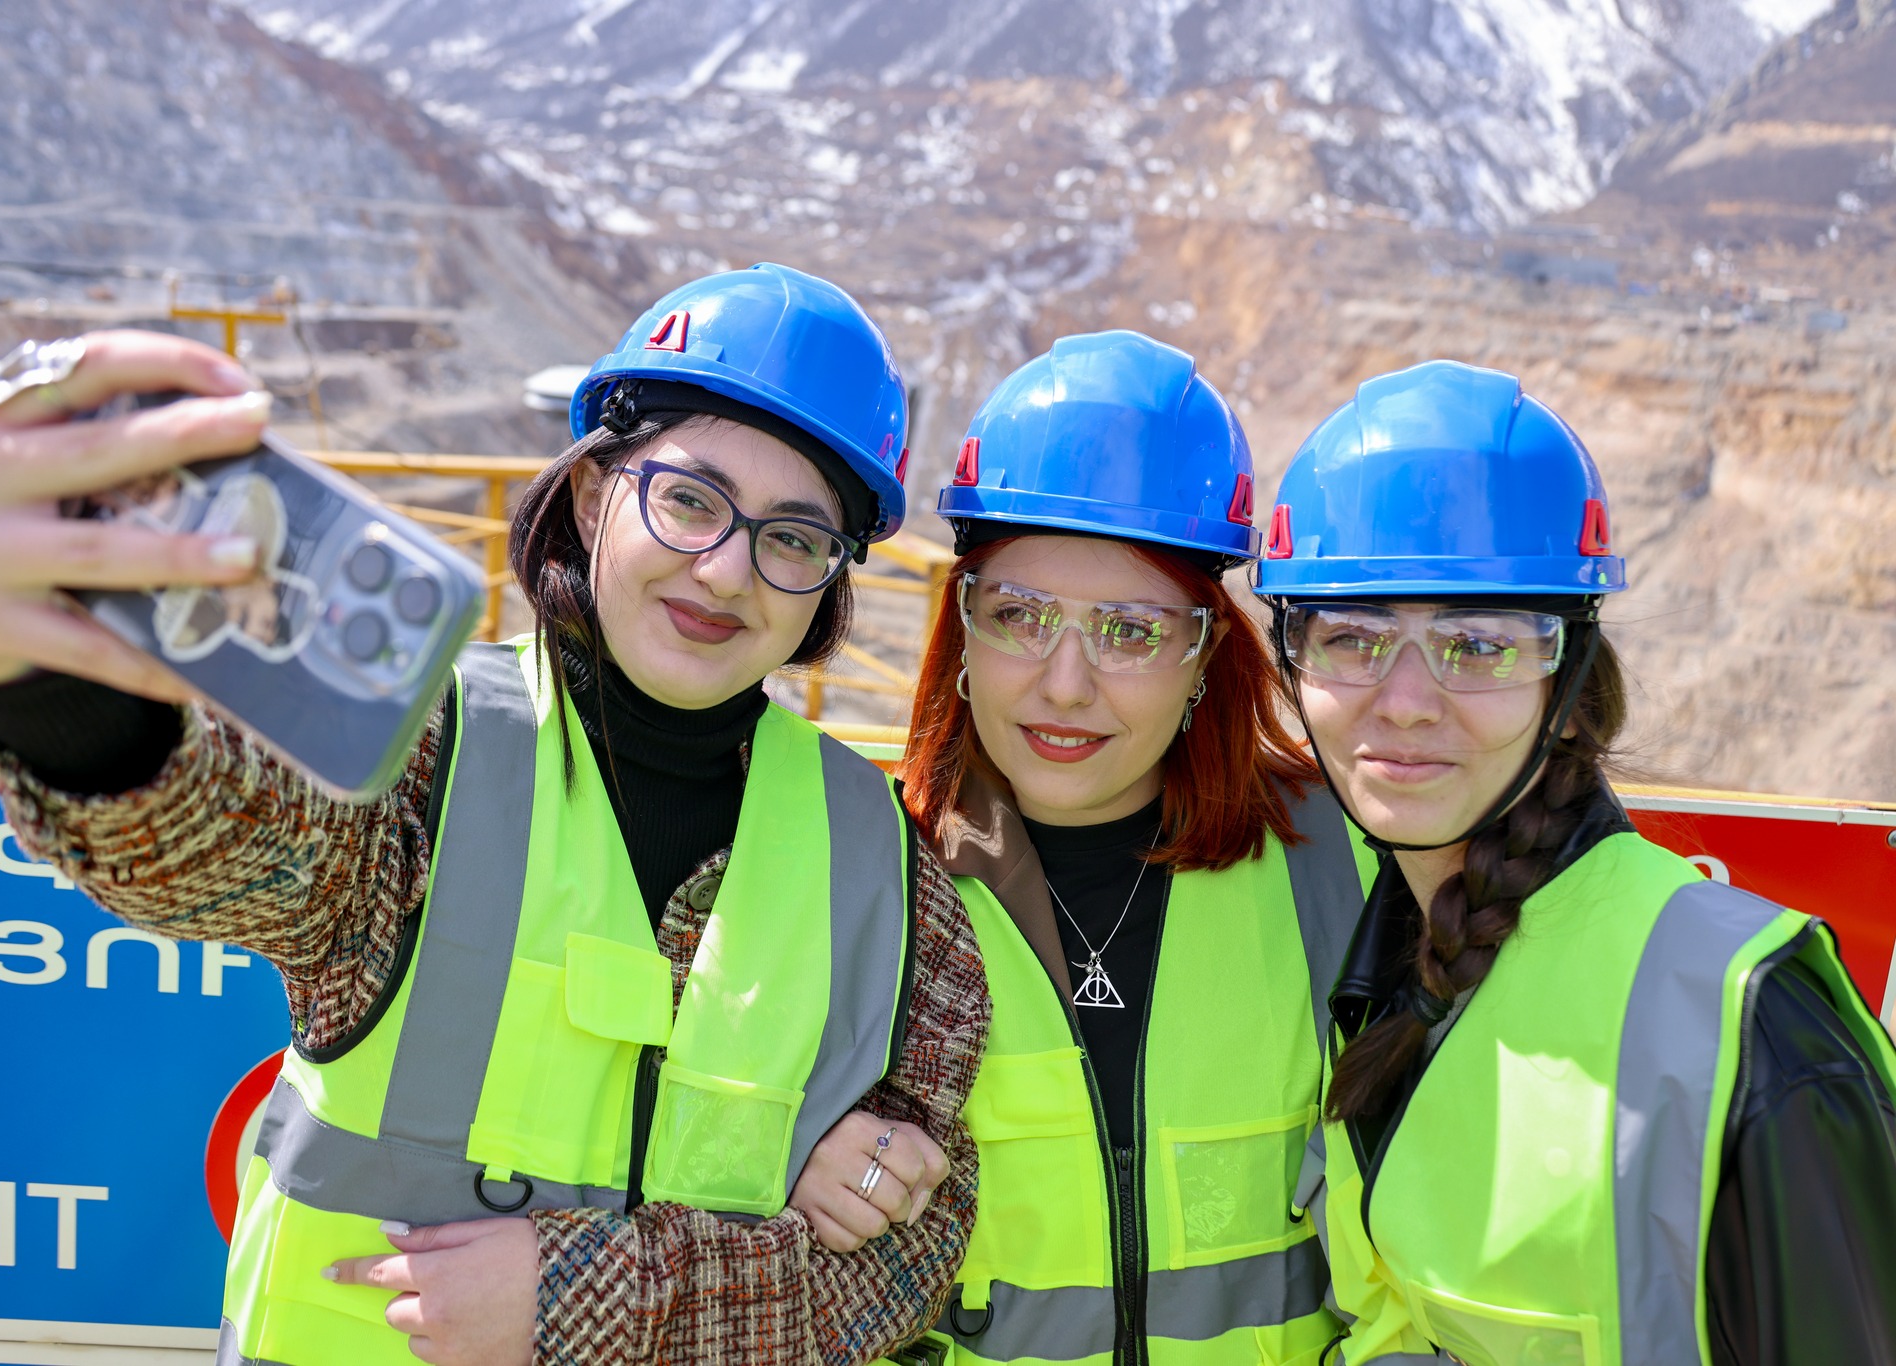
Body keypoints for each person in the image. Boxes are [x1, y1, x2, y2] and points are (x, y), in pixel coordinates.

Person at [0, 263, 989, 1366]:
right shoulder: (419, 754)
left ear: (831, 577)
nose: (724, 571)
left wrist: (585, 1297)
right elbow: (208, 836)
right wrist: (42, 681)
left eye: (794, 538)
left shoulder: (883, 863)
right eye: (687, 499)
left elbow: (910, 1258)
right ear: (592, 497)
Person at [1252, 359, 1896, 1364]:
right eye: (1351, 637)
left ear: (1568, 677)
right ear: (1293, 663)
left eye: (1477, 645)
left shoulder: (1749, 1019)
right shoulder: (1377, 961)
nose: (1405, 702)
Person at [790, 331, 1377, 1365]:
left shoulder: (1340, 865)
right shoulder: (861, 875)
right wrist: (788, 1161)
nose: (1064, 685)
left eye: (1130, 631)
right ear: (961, 627)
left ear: (1204, 652)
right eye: (1019, 615)